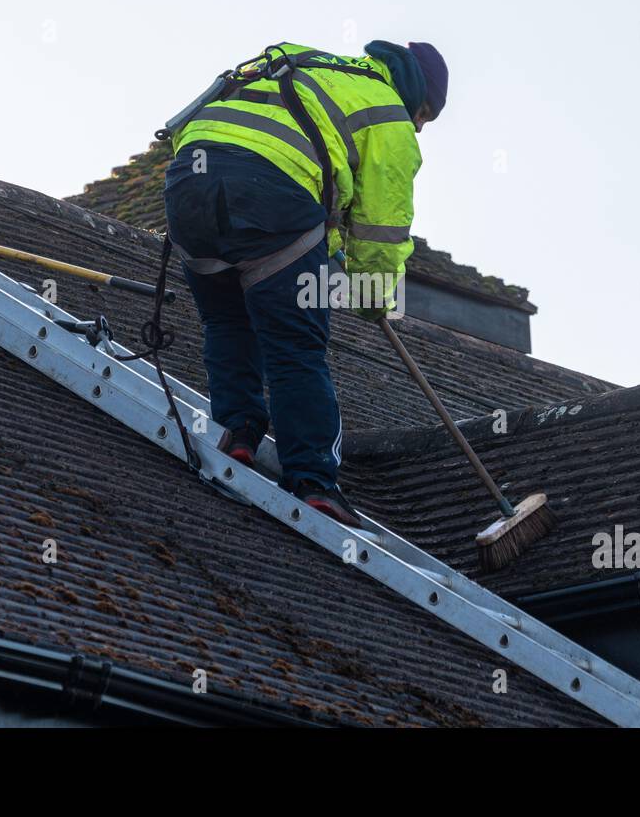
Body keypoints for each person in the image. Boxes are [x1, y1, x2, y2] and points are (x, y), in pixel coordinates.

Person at [162, 40, 448, 525]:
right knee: (296, 345)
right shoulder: (389, 116)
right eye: (424, 115)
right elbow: (381, 229)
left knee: (228, 321)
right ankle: (314, 481)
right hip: (269, 198)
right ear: (416, 94)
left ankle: (239, 433)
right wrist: (374, 293)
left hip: (188, 187)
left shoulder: (298, 62)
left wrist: (320, 235)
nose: (419, 126)